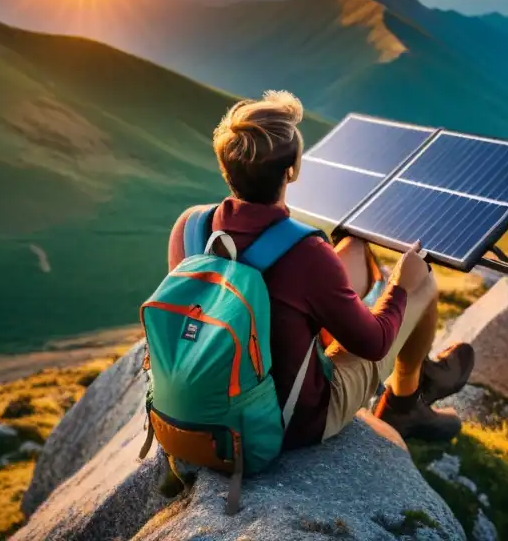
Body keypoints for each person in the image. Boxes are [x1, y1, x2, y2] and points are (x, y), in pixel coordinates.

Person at [167, 90, 475, 448]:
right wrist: (401, 285)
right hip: (288, 420)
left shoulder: (189, 227)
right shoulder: (306, 253)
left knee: (356, 247)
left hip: (207, 404)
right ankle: (405, 405)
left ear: (226, 167)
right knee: (421, 282)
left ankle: (410, 375)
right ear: (292, 170)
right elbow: (374, 343)